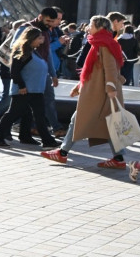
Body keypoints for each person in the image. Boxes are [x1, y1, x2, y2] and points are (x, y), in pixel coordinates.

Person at [42, 16, 127, 169]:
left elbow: (110, 68)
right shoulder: (101, 42)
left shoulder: (104, 43)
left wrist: (110, 88)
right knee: (108, 123)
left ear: (100, 27)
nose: (88, 27)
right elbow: (93, 69)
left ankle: (62, 152)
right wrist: (79, 87)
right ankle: (118, 158)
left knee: (81, 119)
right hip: (98, 91)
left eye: (91, 25)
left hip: (100, 92)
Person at [0, 28, 57, 148]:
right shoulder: (22, 52)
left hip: (35, 90)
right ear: (31, 38)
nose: (42, 41)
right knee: (14, 113)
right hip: (25, 90)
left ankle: (31, 138)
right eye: (39, 38)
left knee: (34, 115)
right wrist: (21, 85)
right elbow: (14, 71)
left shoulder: (33, 51)